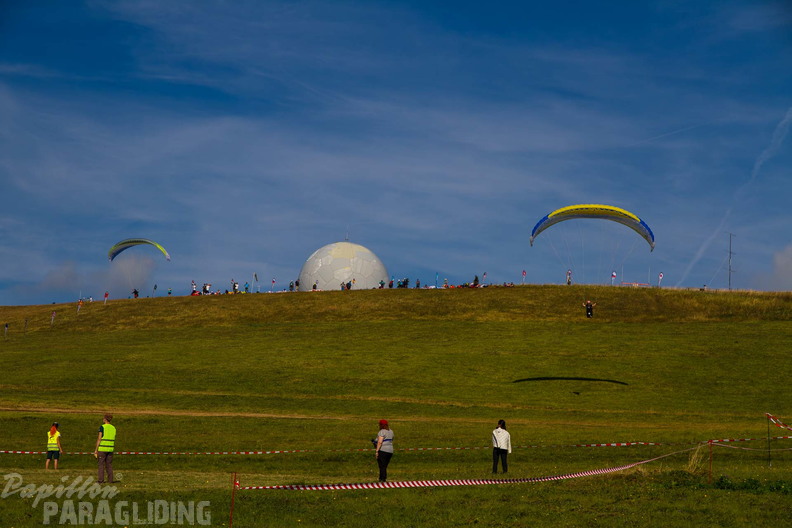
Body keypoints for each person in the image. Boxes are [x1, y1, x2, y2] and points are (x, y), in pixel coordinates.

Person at [94, 414, 116, 483]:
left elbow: (99, 438)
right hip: (110, 449)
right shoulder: (113, 428)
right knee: (109, 464)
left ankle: (101, 480)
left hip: (102, 448)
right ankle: (110, 480)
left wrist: (96, 450)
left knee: (101, 465)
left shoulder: (102, 427)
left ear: (105, 419)